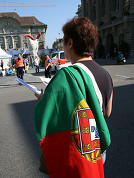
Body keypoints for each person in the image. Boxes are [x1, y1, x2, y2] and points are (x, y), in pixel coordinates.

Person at [34, 17, 113, 178]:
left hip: (76, 150)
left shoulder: (67, 74)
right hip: (95, 146)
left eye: (64, 41)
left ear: (70, 43)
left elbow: (52, 112)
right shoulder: (105, 74)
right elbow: (107, 113)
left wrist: (44, 100)